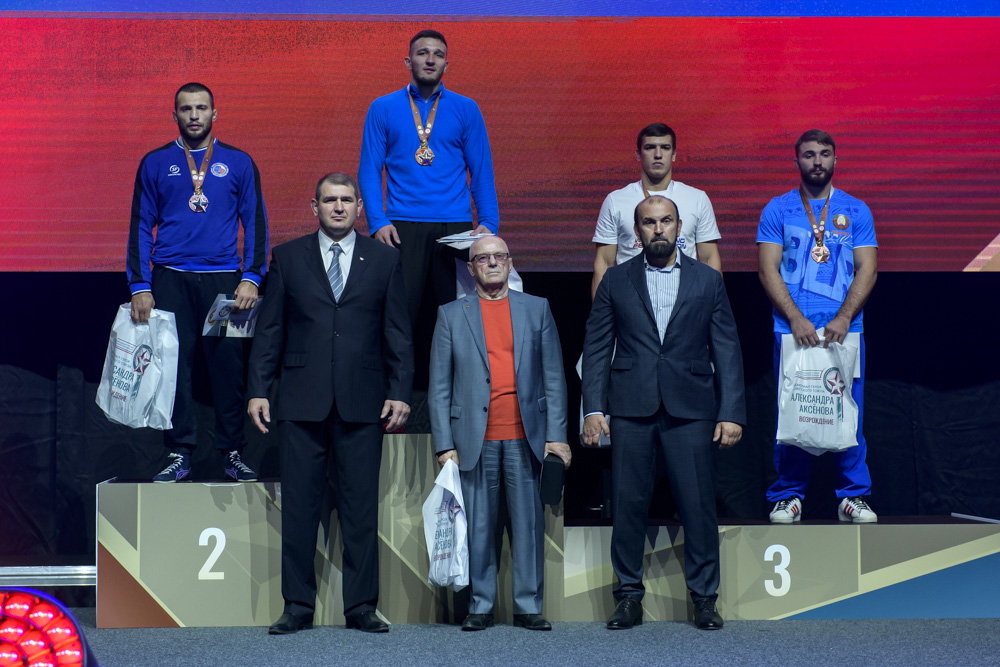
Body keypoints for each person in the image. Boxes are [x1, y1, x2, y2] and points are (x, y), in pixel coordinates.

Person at [247, 173, 413, 634]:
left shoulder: (384, 259)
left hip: (363, 400)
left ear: (360, 207)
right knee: (300, 509)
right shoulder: (286, 257)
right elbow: (270, 331)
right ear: (314, 206)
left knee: (360, 510)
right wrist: (258, 388)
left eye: (346, 200)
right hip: (301, 401)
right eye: (329, 200)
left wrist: (400, 391)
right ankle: (297, 606)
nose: (338, 207)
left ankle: (361, 606)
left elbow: (398, 332)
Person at [582, 195, 745, 631]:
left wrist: (731, 411)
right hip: (630, 407)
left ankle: (705, 600)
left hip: (691, 407)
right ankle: (628, 598)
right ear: (636, 232)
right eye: (649, 222)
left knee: (697, 506)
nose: (658, 229)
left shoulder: (707, 280)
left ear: (679, 227)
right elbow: (596, 346)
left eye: (666, 221)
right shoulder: (616, 280)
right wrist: (593, 408)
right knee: (628, 506)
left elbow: (727, 347)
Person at [127, 82, 268, 483]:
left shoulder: (239, 162)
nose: (194, 115)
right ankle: (179, 452)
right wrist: (140, 285)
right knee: (173, 370)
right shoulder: (155, 162)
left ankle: (233, 451)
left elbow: (256, 222)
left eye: (201, 108)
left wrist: (251, 277)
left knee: (229, 368)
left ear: (214, 114)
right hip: (170, 279)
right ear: (174, 115)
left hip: (226, 282)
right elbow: (140, 226)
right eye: (186, 109)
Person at [429, 235, 570, 632]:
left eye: (498, 257)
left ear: (509, 263)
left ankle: (528, 606)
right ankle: (480, 605)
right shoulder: (450, 315)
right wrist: (444, 444)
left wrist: (557, 435)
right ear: (470, 268)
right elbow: (439, 387)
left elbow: (554, 379)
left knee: (528, 526)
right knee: (478, 527)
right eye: (482, 258)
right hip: (474, 440)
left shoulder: (537, 309)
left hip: (527, 437)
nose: (491, 263)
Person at [359, 29, 499, 390]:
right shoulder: (383, 107)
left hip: (455, 228)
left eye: (438, 54)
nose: (430, 59)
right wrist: (377, 221)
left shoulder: (466, 108)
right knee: (398, 319)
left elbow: (481, 169)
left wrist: (488, 222)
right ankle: (394, 397)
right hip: (400, 226)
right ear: (408, 61)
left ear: (447, 64)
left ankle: (460, 399)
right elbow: (370, 170)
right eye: (423, 53)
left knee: (458, 320)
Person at [757, 129, 878, 524]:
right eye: (809, 154)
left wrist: (844, 317)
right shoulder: (777, 209)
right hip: (792, 331)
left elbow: (867, 268)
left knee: (849, 413)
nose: (817, 161)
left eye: (825, 154)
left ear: (835, 159)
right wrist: (794, 318)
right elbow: (767, 269)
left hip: (846, 331)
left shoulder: (855, 209)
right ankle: (789, 495)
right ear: (796, 160)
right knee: (793, 413)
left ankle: (853, 496)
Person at [591, 122, 721, 300]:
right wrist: (601, 313)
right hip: (631, 301)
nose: (658, 154)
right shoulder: (616, 201)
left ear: (674, 154)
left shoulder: (697, 199)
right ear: (638, 154)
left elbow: (709, 260)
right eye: (650, 147)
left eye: (665, 148)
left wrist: (715, 310)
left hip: (685, 301)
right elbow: (604, 264)